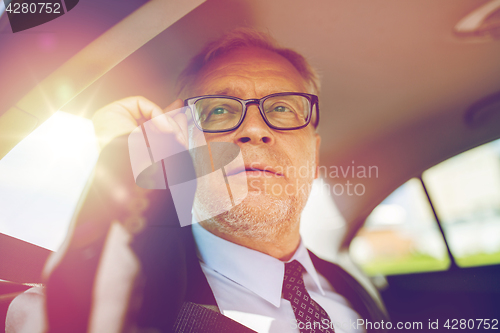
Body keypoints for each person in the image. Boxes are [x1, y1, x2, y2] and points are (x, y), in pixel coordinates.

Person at [6, 28, 388, 333]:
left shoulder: (356, 290)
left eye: (282, 108)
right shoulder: (115, 302)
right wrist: (124, 159)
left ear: (315, 154)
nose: (254, 129)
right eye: (219, 109)